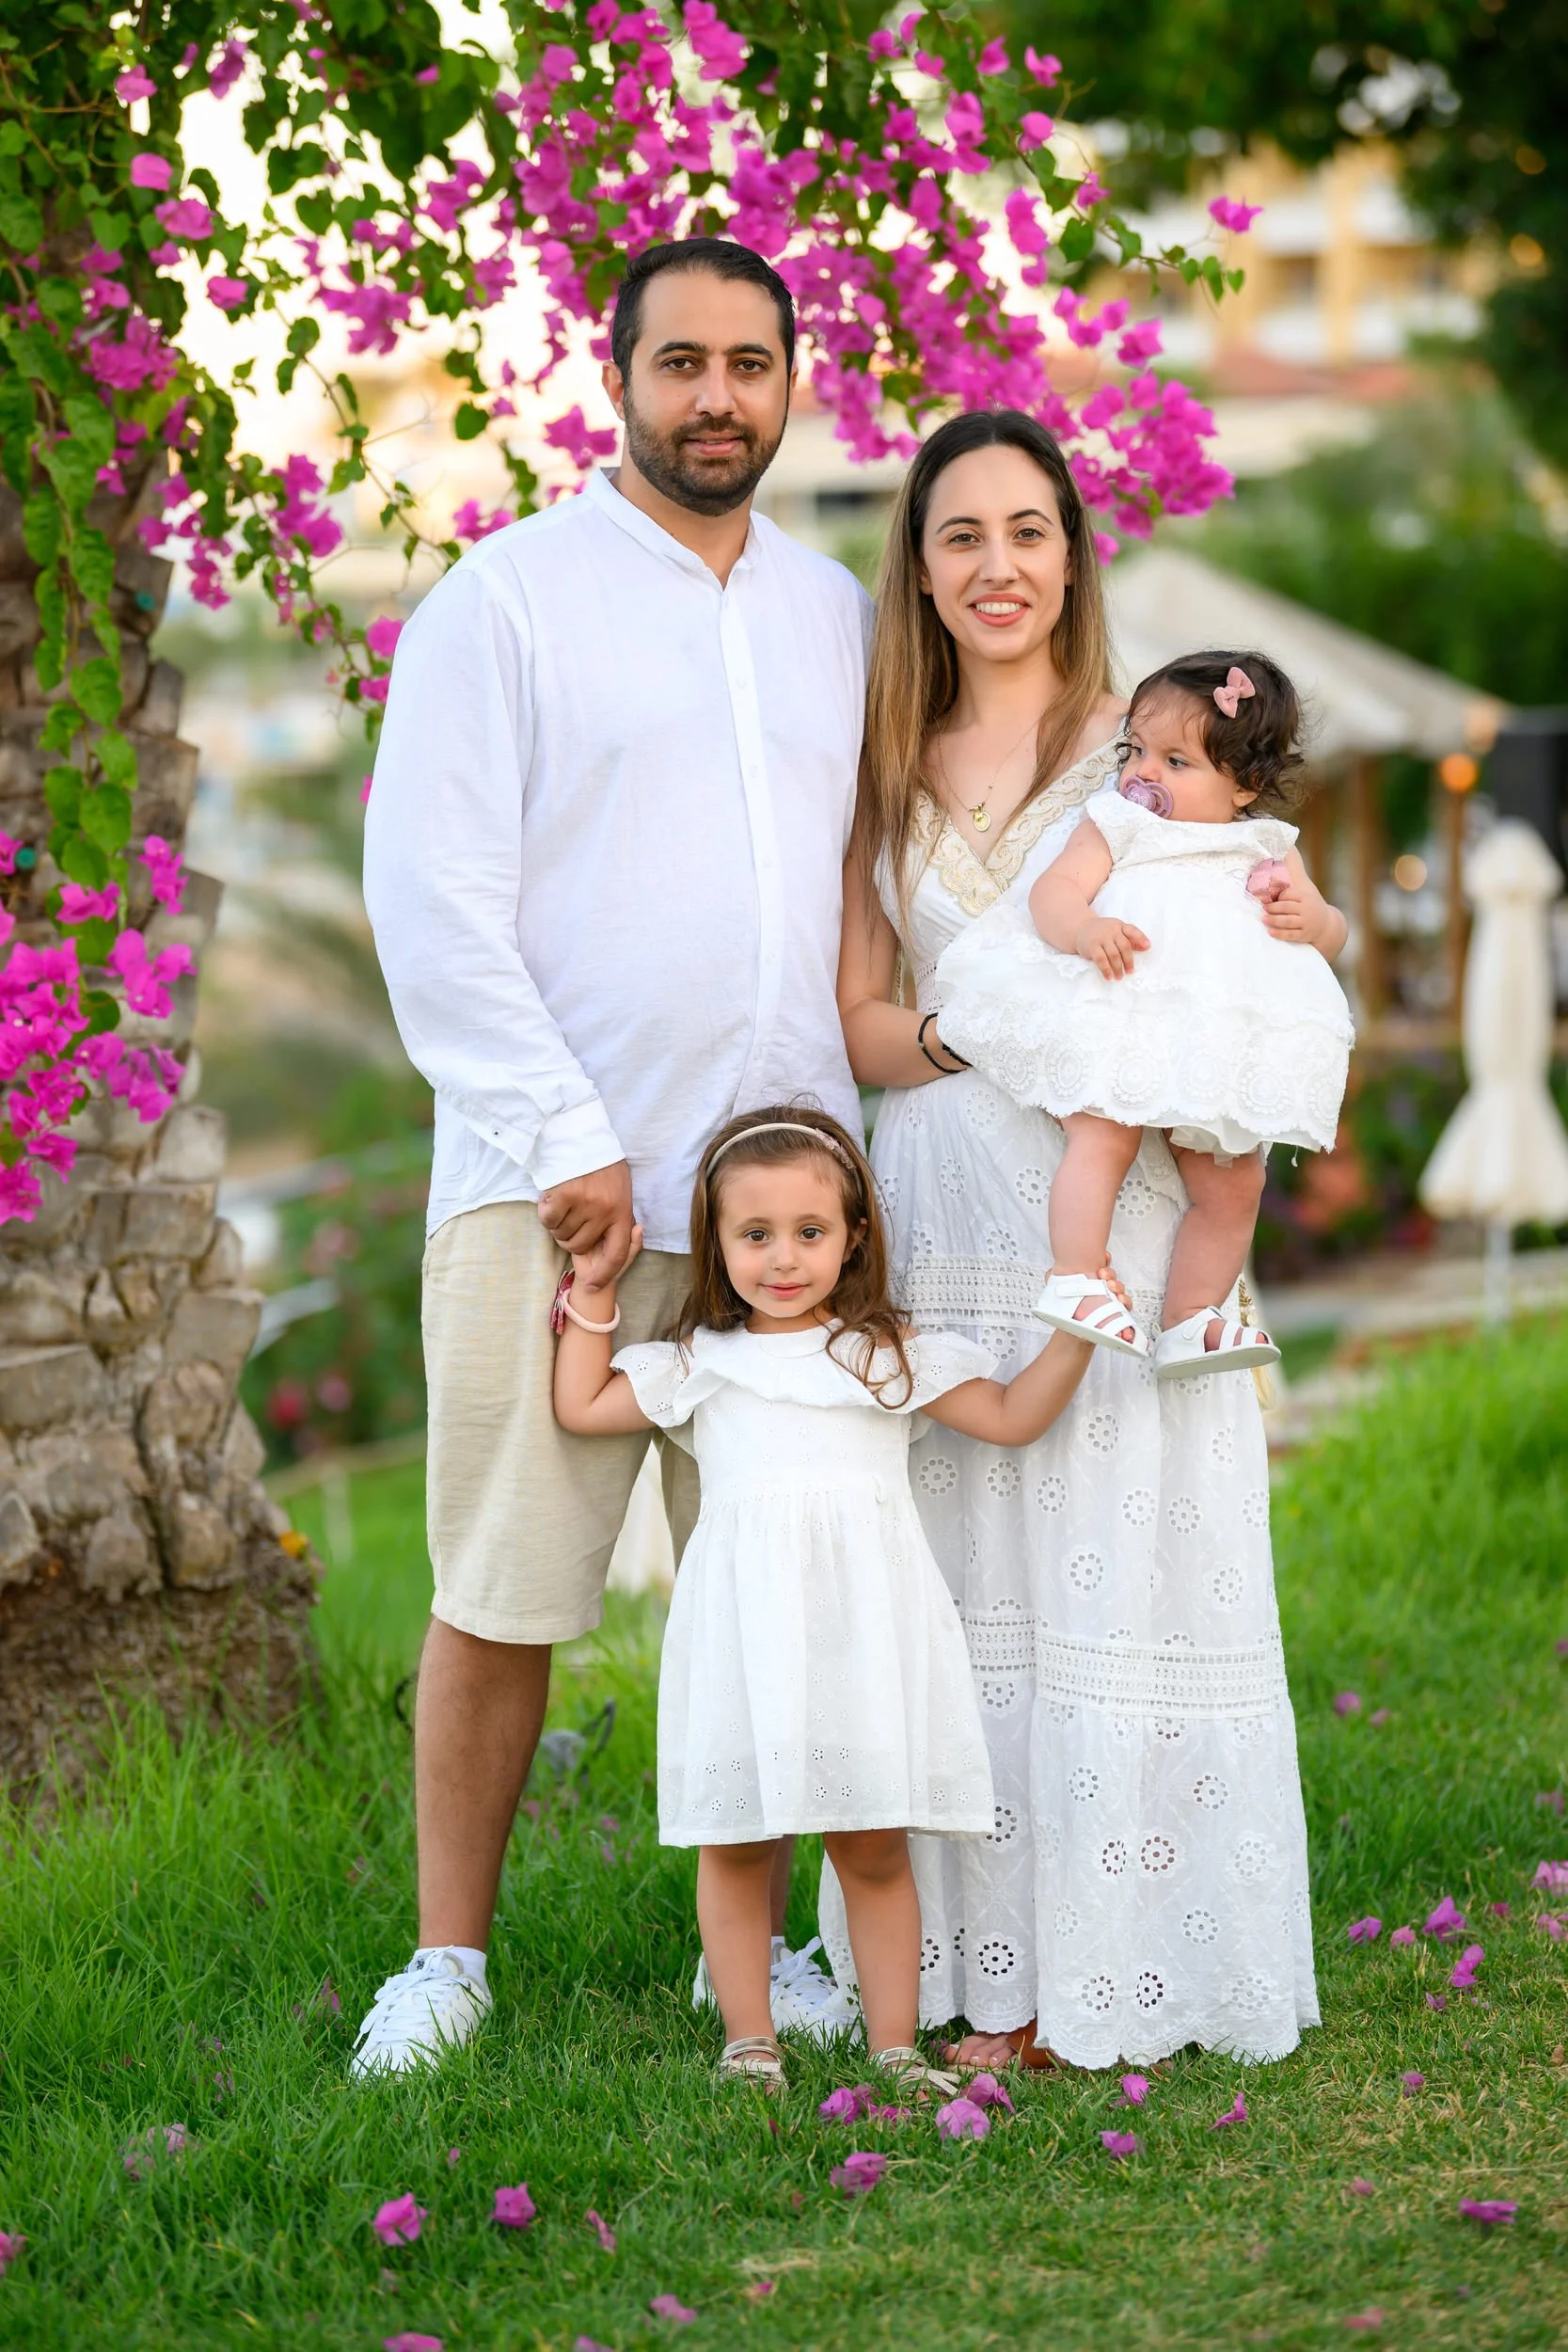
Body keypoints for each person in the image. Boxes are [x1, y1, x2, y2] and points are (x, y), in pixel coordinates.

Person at [356, 237, 870, 2075]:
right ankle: (446, 1962)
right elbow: (430, 900)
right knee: (502, 1582)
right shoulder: (500, 605)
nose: (716, 395)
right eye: (682, 362)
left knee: (782, 1581)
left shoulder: (832, 608)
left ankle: (778, 1949)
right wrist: (570, 1138)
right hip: (548, 1192)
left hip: (780, 1216)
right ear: (619, 375)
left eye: (749, 362)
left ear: (788, 378)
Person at [833, 407, 1319, 2072]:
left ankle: (1115, 1972)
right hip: (942, 1207)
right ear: (919, 561)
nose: (995, 564)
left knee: (1125, 1562)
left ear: (1070, 551)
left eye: (1026, 530)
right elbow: (862, 1022)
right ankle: (981, 1970)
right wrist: (981, 1028)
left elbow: (1247, 951)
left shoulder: (1158, 747)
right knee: (967, 1585)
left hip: (1114, 1208)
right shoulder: (881, 758)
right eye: (960, 533)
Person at [552, 1106, 1105, 2090]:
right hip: (744, 1631)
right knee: (733, 1841)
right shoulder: (702, 1362)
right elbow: (581, 1405)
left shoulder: (882, 1354)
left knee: (872, 1842)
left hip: (863, 1630)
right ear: (715, 1247)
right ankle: (748, 2041)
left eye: (808, 1232)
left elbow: (1012, 1417)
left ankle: (892, 2047)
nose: (781, 1257)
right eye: (753, 1234)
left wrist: (1076, 1335)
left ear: (851, 1235)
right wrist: (593, 1291)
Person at [936, 649, 1353, 1375]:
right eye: (1134, 749)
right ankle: (1075, 1277)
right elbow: (1054, 892)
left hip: (1205, 1048)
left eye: (1175, 761)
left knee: (1234, 1181)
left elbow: (1332, 935)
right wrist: (1084, 929)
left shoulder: (1265, 846)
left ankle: (1192, 1316)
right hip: (1122, 1020)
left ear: (1246, 786)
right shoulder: (1117, 824)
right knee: (1102, 1137)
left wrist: (1309, 915)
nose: (1142, 773)